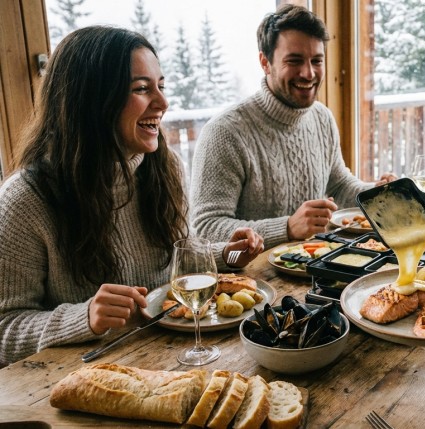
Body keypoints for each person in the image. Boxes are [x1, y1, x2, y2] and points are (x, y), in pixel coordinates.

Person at [0, 26, 264, 366]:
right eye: (142, 89)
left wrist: (226, 257)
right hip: (83, 384)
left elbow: (174, 266)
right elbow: (5, 330)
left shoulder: (163, 167)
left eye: (161, 86)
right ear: (92, 100)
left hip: (170, 359)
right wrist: (84, 318)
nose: (163, 103)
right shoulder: (24, 200)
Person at [189, 4, 396, 249]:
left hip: (315, 266)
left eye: (316, 61)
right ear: (265, 62)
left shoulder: (322, 117)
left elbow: (339, 185)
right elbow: (204, 228)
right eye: (294, 61)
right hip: (251, 282)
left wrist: (377, 193)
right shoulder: (224, 132)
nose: (308, 73)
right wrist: (286, 228)